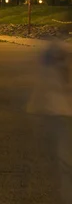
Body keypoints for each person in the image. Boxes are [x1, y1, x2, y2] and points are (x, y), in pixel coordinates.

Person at [27, 35, 72, 202]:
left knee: (63, 159)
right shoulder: (63, 50)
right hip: (61, 108)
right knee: (65, 159)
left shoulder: (49, 51)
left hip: (53, 108)